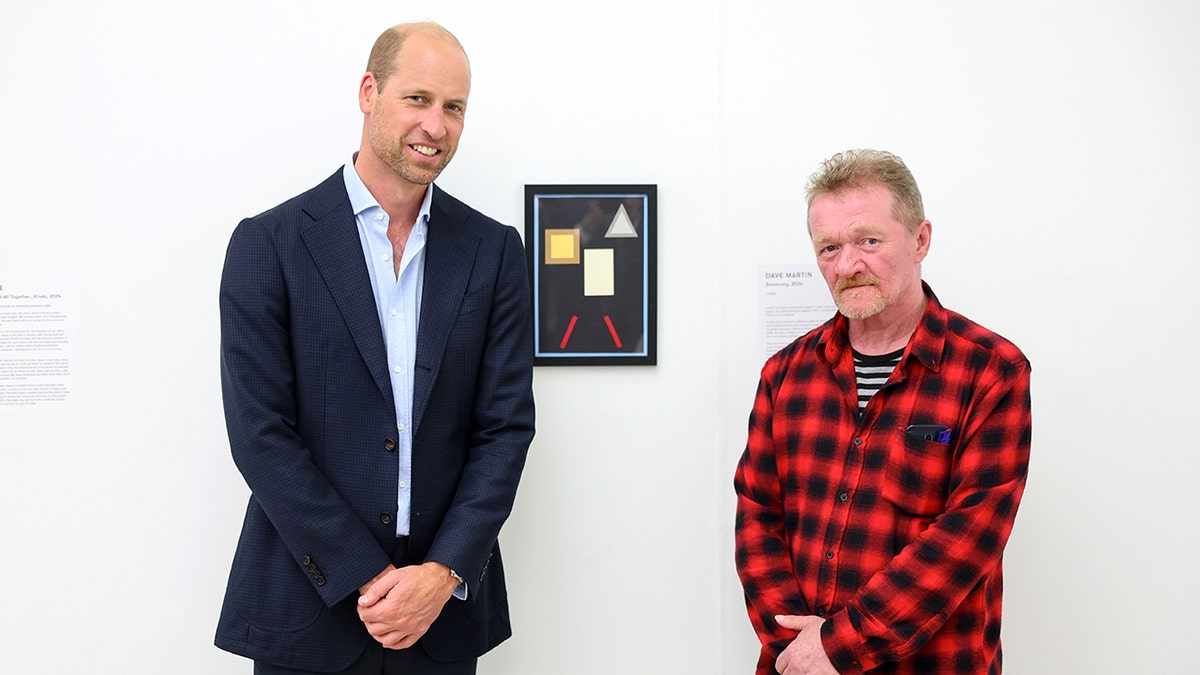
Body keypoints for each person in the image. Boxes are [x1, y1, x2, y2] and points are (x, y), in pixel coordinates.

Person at [215, 21, 535, 675]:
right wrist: (369, 577)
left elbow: (504, 432)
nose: (436, 126)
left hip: (440, 622)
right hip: (308, 613)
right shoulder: (268, 244)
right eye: (417, 98)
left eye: (454, 107)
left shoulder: (493, 251)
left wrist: (441, 574)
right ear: (369, 91)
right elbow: (260, 435)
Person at [734, 149, 1031, 674]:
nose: (847, 265)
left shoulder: (992, 372)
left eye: (868, 240)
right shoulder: (783, 376)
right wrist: (795, 649)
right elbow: (758, 518)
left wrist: (837, 646)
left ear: (920, 240)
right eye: (829, 247)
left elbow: (965, 541)